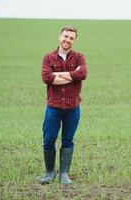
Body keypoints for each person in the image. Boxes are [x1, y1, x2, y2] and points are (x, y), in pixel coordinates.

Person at [40, 26, 87, 184]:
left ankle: (64, 174)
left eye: (71, 38)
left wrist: (58, 75)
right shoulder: (48, 58)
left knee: (68, 140)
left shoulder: (79, 57)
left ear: (74, 40)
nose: (67, 40)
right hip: (53, 107)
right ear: (60, 36)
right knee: (48, 139)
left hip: (72, 107)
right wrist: (73, 75)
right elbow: (47, 78)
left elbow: (83, 74)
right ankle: (49, 172)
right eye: (65, 36)